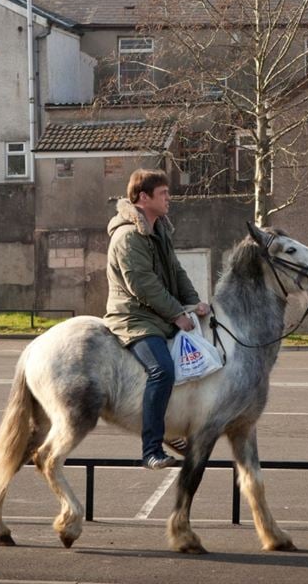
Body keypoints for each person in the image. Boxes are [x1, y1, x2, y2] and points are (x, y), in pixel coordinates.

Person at [105, 168, 211, 470]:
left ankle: (176, 431)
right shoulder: (128, 236)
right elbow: (143, 285)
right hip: (134, 317)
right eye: (163, 193)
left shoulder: (159, 229)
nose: (169, 198)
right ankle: (152, 448)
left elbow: (176, 272)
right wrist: (177, 314)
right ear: (143, 197)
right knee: (162, 370)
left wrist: (193, 303)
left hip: (158, 315)